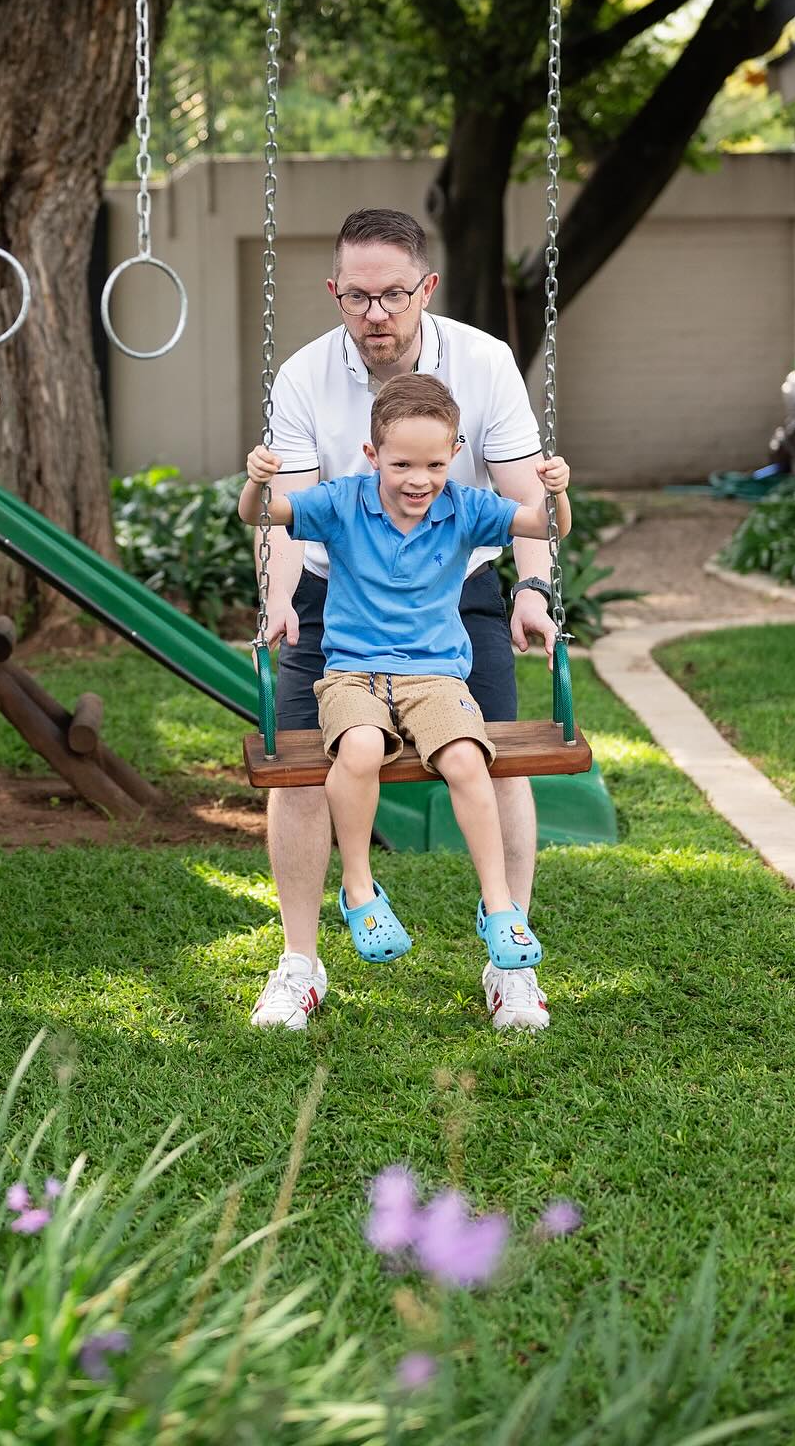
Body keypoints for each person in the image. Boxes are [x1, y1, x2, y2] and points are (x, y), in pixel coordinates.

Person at [249, 208, 562, 1034]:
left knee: (499, 761)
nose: (375, 314)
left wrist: (533, 589)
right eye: (357, 298)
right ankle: (300, 961)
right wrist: (277, 599)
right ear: (335, 292)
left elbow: (526, 495)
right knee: (300, 770)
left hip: (456, 593)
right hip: (333, 600)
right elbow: (286, 514)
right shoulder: (304, 376)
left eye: (392, 295)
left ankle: (510, 961)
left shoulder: (485, 362)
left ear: (426, 287)